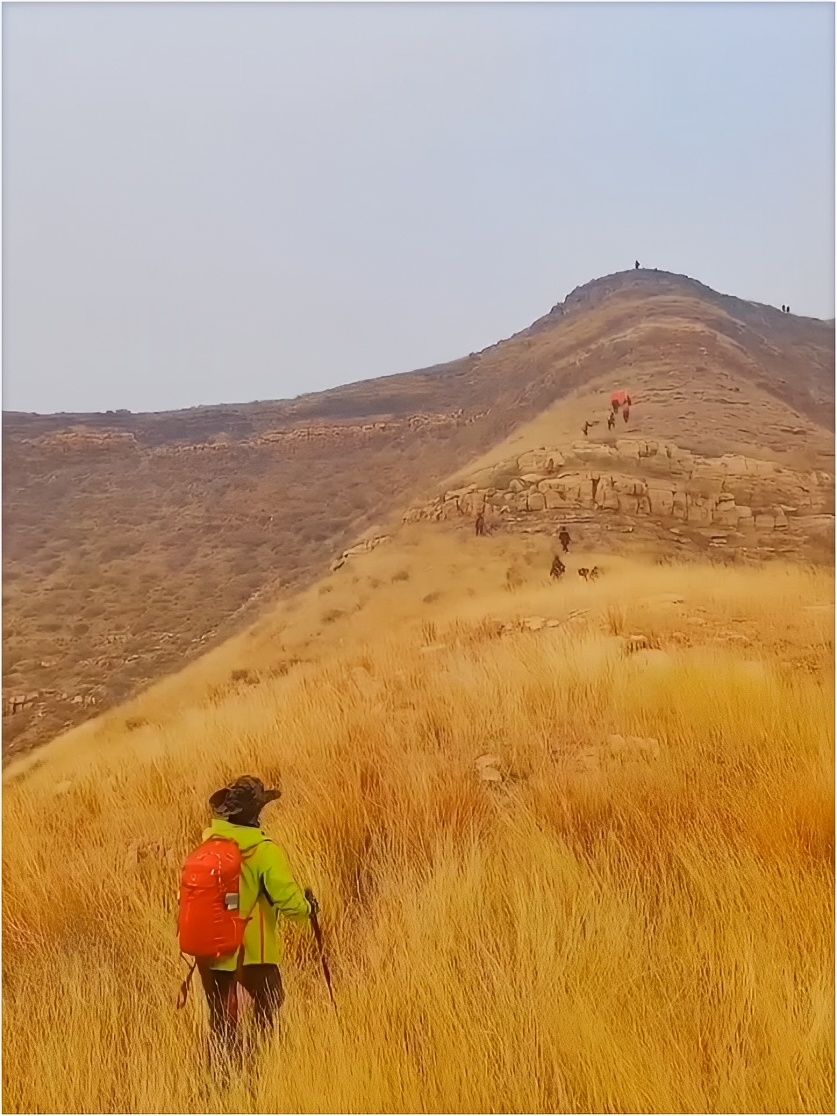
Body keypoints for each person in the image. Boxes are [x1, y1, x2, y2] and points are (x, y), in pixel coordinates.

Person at [198, 776, 313, 1059]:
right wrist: (309, 909)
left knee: (223, 1019)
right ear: (254, 814)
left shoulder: (205, 847)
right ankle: (261, 1067)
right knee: (269, 1004)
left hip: (208, 952)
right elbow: (289, 901)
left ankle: (221, 1079)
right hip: (252, 952)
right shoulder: (263, 851)